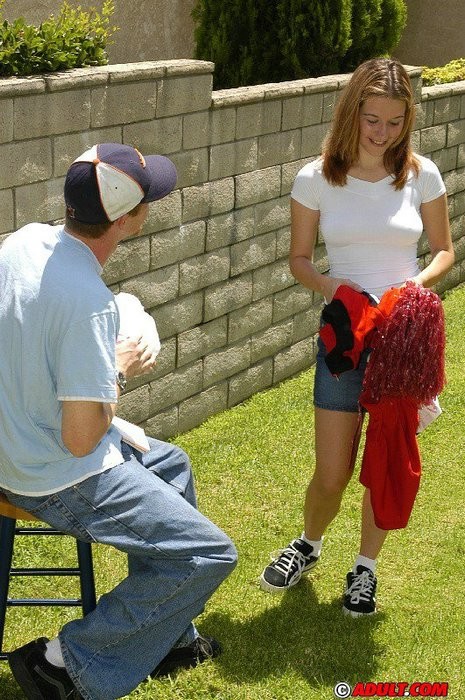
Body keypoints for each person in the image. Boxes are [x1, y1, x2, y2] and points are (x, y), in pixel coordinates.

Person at [0, 143, 237, 700]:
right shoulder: (88, 301)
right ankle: (64, 663)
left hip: (13, 442)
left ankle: (170, 640)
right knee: (208, 553)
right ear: (131, 219)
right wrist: (117, 369)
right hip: (52, 474)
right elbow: (81, 440)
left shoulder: (25, 241)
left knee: (172, 466)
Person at [259, 58, 454, 616]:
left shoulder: (423, 174)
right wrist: (329, 283)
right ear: (351, 113)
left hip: (401, 337)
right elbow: (299, 259)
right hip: (345, 335)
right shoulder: (316, 178)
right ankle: (309, 544)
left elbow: (445, 249)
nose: (382, 133)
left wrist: (411, 287)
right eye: (372, 120)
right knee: (332, 469)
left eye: (395, 122)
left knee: (385, 457)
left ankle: (365, 569)